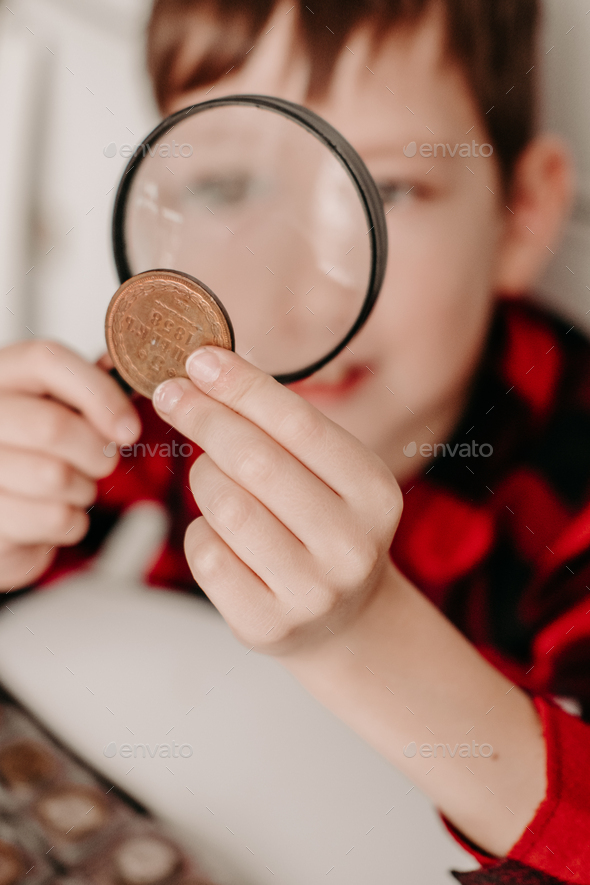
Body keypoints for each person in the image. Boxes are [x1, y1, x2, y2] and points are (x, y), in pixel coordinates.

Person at [0, 0, 588, 881]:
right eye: (226, 187)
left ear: (524, 213)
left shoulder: (571, 485)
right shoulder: (158, 405)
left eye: (388, 188)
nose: (296, 287)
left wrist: (365, 634)